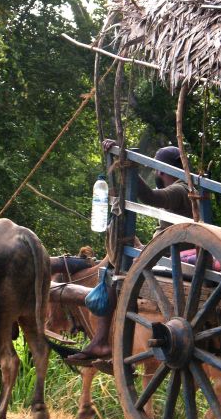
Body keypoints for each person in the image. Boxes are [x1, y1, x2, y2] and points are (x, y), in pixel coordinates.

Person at [65, 141, 194, 363]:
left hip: (167, 258)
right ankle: (102, 340)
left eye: (156, 168)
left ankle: (102, 341)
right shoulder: (187, 188)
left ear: (161, 170)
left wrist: (130, 168)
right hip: (165, 253)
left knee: (113, 265)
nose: (155, 172)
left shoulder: (181, 189)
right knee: (116, 256)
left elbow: (153, 198)